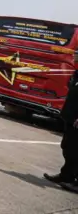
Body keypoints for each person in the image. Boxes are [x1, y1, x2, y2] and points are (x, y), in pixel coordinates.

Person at [44, 50, 78, 191]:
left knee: (76, 151)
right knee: (67, 147)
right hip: (70, 116)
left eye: (77, 53)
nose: (74, 55)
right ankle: (66, 176)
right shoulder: (76, 72)